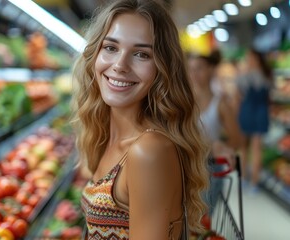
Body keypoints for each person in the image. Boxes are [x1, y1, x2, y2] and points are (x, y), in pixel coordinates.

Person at [71, 0, 210, 239]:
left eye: (141, 54)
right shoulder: (106, 135)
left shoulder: (149, 151)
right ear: (95, 53)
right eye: (111, 48)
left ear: (162, 69)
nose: (120, 65)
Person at [187, 51, 242, 214]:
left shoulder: (221, 104)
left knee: (202, 220)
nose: (194, 74)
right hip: (186, 165)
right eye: (190, 69)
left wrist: (221, 147)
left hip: (210, 169)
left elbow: (237, 139)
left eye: (199, 68)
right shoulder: (183, 102)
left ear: (210, 70)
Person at [236, 47, 272, 194]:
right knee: (256, 149)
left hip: (248, 111)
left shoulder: (246, 75)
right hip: (261, 112)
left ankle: (245, 178)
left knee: (245, 148)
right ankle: (254, 182)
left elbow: (239, 93)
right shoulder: (267, 74)